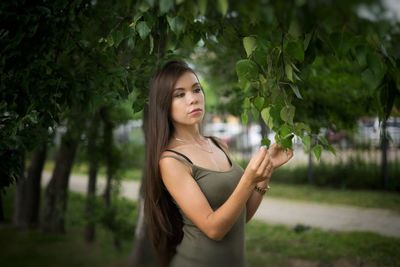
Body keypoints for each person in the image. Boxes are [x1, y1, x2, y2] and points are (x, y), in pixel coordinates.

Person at [144, 60, 293, 267]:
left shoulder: (218, 144)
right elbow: (214, 229)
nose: (193, 99)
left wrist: (266, 171)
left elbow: (241, 217)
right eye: (180, 94)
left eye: (196, 90)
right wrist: (248, 179)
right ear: (164, 104)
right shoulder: (171, 161)